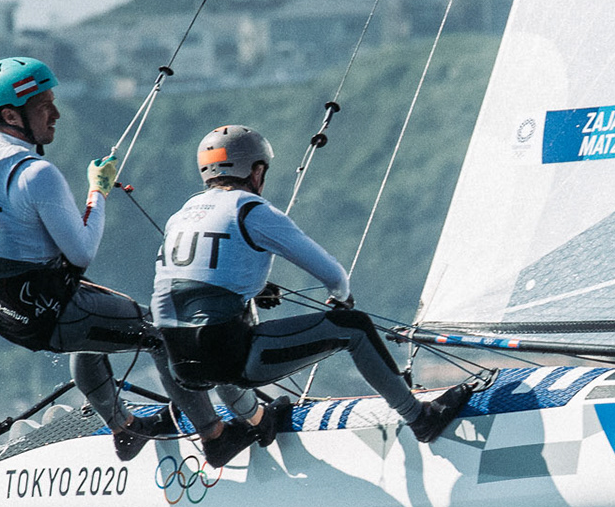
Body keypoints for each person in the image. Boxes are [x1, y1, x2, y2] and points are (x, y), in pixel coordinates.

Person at [151, 124, 471, 468]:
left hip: (179, 363)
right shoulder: (249, 209)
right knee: (354, 328)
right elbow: (333, 275)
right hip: (232, 359)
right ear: (256, 171)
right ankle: (421, 419)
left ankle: (238, 430)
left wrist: (256, 290)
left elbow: (193, 283)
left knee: (228, 333)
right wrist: (340, 298)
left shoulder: (181, 215)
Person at [0, 56, 187, 461]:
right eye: (44, 106)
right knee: (165, 335)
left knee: (96, 335)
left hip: (7, 313)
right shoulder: (34, 173)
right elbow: (82, 252)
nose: (56, 114)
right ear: (10, 115)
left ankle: (126, 428)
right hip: (51, 312)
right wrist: (98, 191)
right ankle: (210, 434)